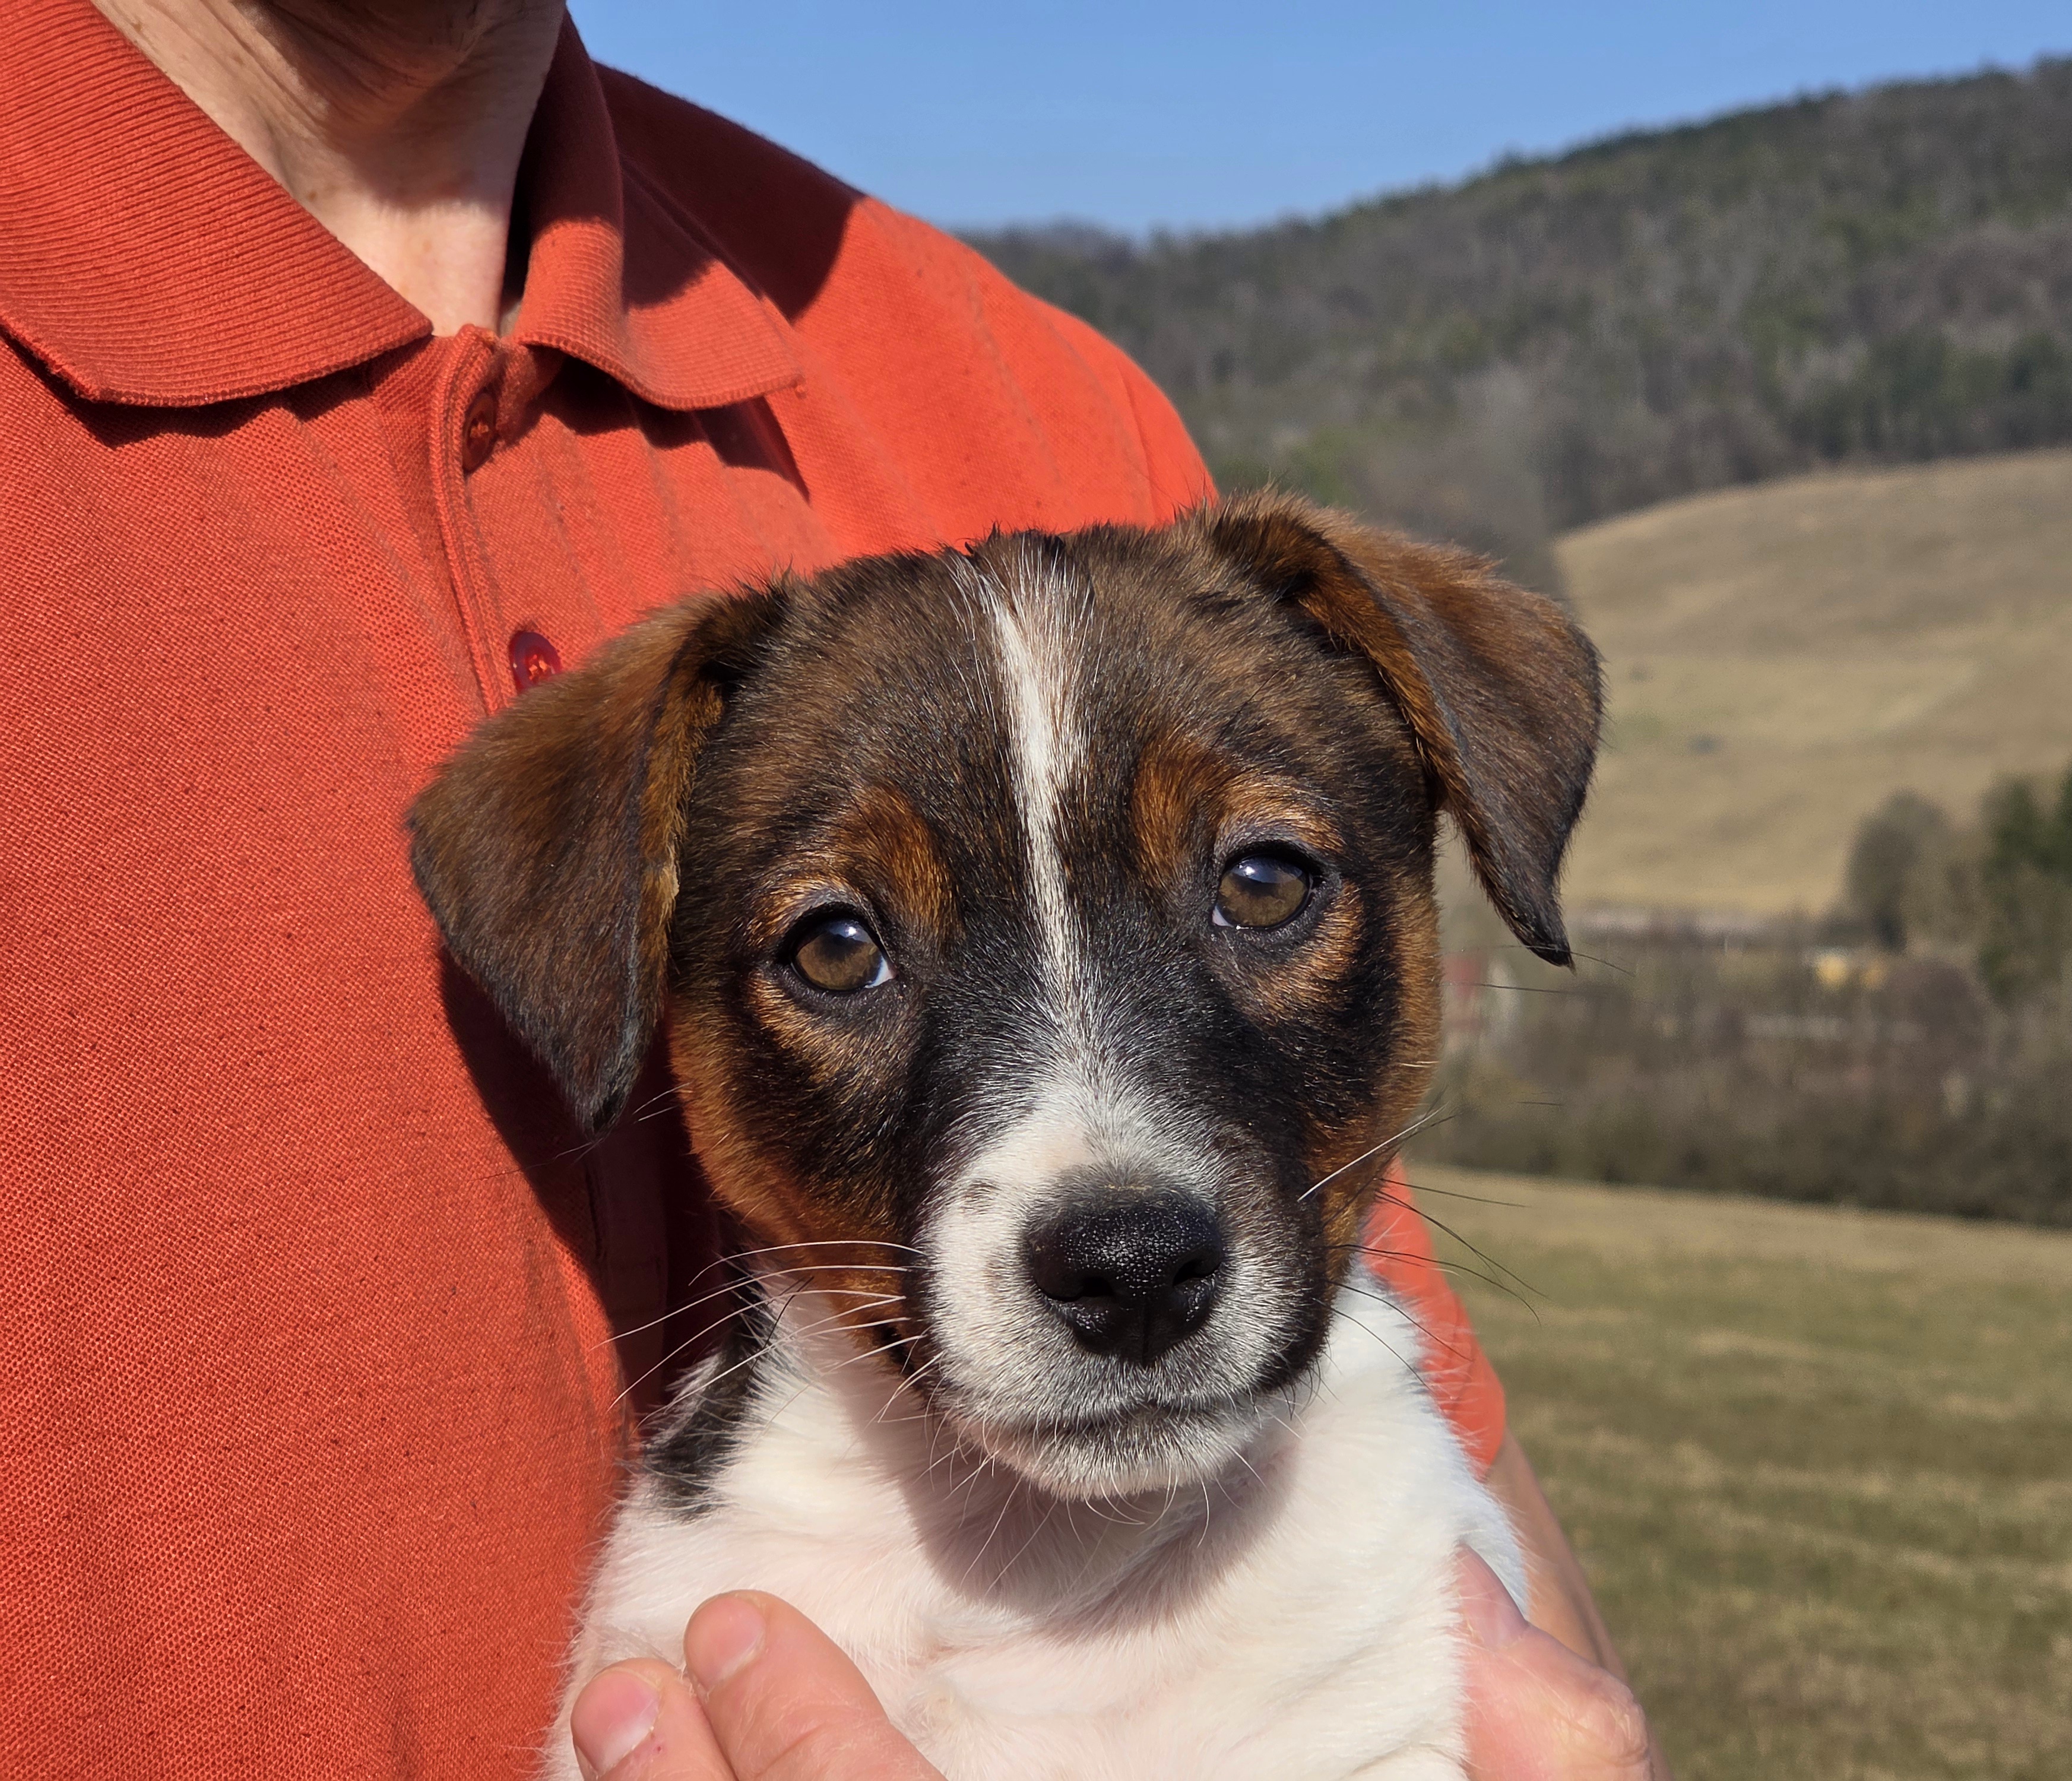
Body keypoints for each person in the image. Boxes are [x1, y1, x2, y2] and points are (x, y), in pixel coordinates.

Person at [0, 1, 1664, 1775]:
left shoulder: (1036, 393)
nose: (1115, 1183)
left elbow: (1530, 1682)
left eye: (1262, 881)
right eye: (839, 944)